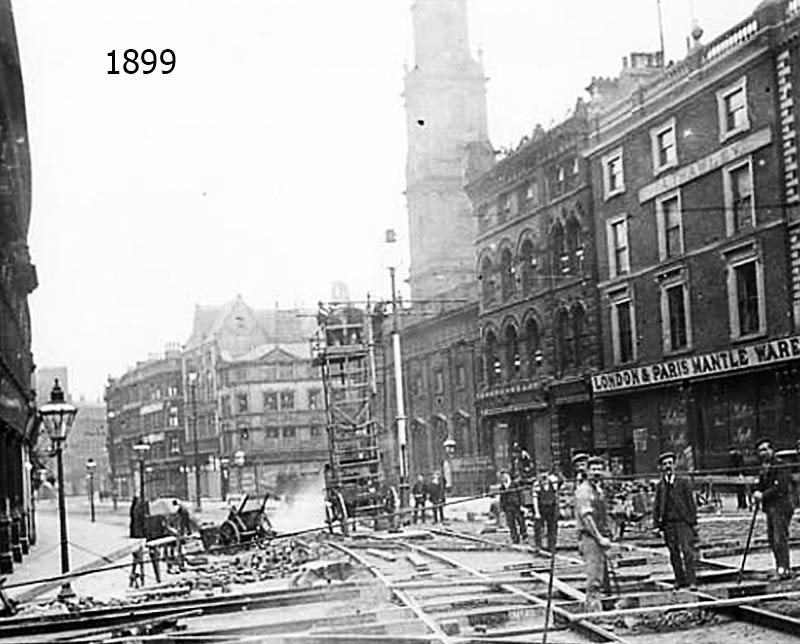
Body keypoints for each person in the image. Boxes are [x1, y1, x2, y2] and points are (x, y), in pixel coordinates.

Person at [653, 451, 698, 590]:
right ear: (661, 467)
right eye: (665, 464)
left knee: (687, 551)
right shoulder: (660, 485)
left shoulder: (683, 482)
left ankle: (692, 581)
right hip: (668, 524)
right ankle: (680, 580)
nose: (668, 466)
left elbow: (691, 503)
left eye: (670, 463)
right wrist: (656, 525)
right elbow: (657, 505)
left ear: (675, 465)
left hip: (683, 522)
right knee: (673, 553)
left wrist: (694, 522)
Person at [575, 455, 612, 612]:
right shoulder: (584, 490)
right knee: (594, 579)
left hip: (599, 537)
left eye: (599, 469)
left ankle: (597, 610)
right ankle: (594, 615)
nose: (596, 472)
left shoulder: (598, 489)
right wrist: (599, 538)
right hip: (590, 538)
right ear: (587, 471)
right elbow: (587, 517)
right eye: (593, 469)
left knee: (600, 576)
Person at [753, 437, 794, 580]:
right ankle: (779, 567)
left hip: (781, 506)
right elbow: (761, 484)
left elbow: (780, 487)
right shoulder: (764, 467)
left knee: (779, 539)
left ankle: (785, 569)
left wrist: (763, 495)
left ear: (771, 450)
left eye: (765, 449)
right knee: (772, 539)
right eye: (760, 451)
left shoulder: (780, 465)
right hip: (771, 507)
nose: (763, 453)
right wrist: (757, 491)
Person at [533, 468, 559, 552]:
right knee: (538, 528)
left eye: (545, 473)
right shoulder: (537, 484)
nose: (544, 475)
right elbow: (535, 499)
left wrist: (557, 509)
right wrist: (537, 512)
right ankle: (538, 546)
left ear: (548, 473)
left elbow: (556, 495)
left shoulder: (553, 483)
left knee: (552, 528)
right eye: (541, 473)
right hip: (542, 508)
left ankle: (551, 546)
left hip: (551, 508)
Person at [498, 471, 527, 544]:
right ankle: (515, 538)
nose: (503, 478)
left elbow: (520, 495)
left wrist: (522, 505)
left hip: (516, 505)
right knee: (511, 523)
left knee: (521, 521)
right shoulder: (502, 487)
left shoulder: (515, 484)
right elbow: (502, 498)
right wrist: (502, 508)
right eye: (502, 477)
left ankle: (524, 536)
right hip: (508, 506)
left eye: (505, 476)